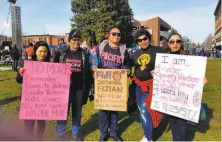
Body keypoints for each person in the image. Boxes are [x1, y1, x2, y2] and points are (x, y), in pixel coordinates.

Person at [54, 30, 96, 141]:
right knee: (62, 111)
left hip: (79, 88)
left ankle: (75, 133)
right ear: (69, 40)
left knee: (77, 112)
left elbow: (93, 62)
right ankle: (60, 133)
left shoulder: (85, 53)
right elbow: (53, 67)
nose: (76, 42)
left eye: (78, 39)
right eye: (74, 39)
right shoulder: (61, 52)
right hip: (63, 88)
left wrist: (93, 67)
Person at [166, 32, 208, 141]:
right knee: (174, 123)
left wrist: (202, 80)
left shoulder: (190, 60)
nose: (175, 43)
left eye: (178, 41)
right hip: (169, 98)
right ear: (168, 44)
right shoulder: (163, 59)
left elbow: (195, 77)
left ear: (181, 43)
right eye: (172, 41)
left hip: (184, 98)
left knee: (181, 125)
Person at [92, 27, 132, 141]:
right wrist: (93, 66)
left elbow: (127, 64)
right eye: (114, 34)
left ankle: (114, 133)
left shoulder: (124, 50)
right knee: (103, 110)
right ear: (108, 35)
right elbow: (92, 59)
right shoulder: (99, 48)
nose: (116, 36)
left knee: (114, 109)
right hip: (102, 85)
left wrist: (127, 70)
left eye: (119, 34)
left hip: (116, 85)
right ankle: (103, 134)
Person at [131, 29, 164, 141]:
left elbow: (168, 65)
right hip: (138, 85)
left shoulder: (158, 50)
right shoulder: (136, 53)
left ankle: (148, 137)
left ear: (149, 38)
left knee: (145, 109)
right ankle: (148, 131)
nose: (143, 41)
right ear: (137, 42)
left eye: (145, 38)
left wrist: (159, 71)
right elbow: (133, 66)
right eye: (139, 40)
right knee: (141, 109)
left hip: (151, 85)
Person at [16, 41, 51, 140]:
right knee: (28, 127)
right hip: (29, 102)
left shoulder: (51, 66)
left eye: (45, 51)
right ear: (35, 52)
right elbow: (18, 80)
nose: (42, 54)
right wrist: (20, 73)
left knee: (41, 126)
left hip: (43, 102)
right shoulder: (28, 64)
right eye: (40, 51)